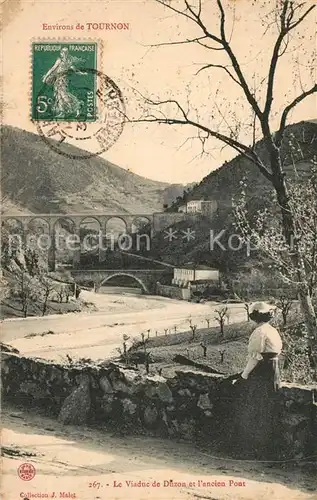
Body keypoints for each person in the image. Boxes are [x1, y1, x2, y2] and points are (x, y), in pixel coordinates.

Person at [229, 301, 283, 459]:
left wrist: (243, 375)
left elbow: (255, 358)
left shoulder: (259, 332)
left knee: (255, 407)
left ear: (254, 316)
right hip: (273, 370)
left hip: (261, 372)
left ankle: (252, 448)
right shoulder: (272, 330)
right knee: (267, 408)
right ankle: (264, 449)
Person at [42, 47, 86, 119]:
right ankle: (62, 112)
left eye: (64, 52)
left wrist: (82, 73)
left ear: (65, 53)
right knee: (59, 96)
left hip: (63, 81)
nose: (62, 54)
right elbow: (53, 69)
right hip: (57, 80)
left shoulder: (68, 62)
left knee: (64, 96)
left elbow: (75, 70)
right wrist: (46, 77)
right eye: (62, 52)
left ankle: (78, 107)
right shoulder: (60, 60)